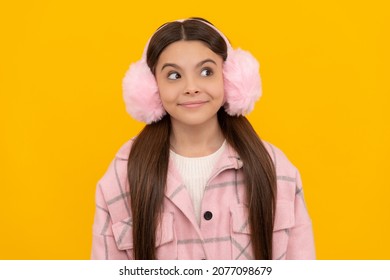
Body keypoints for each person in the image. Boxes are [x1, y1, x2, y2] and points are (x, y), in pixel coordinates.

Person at [91, 17, 315, 260]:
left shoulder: (275, 167)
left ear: (231, 79)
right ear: (151, 87)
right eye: (174, 75)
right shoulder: (123, 173)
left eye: (206, 72)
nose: (191, 87)